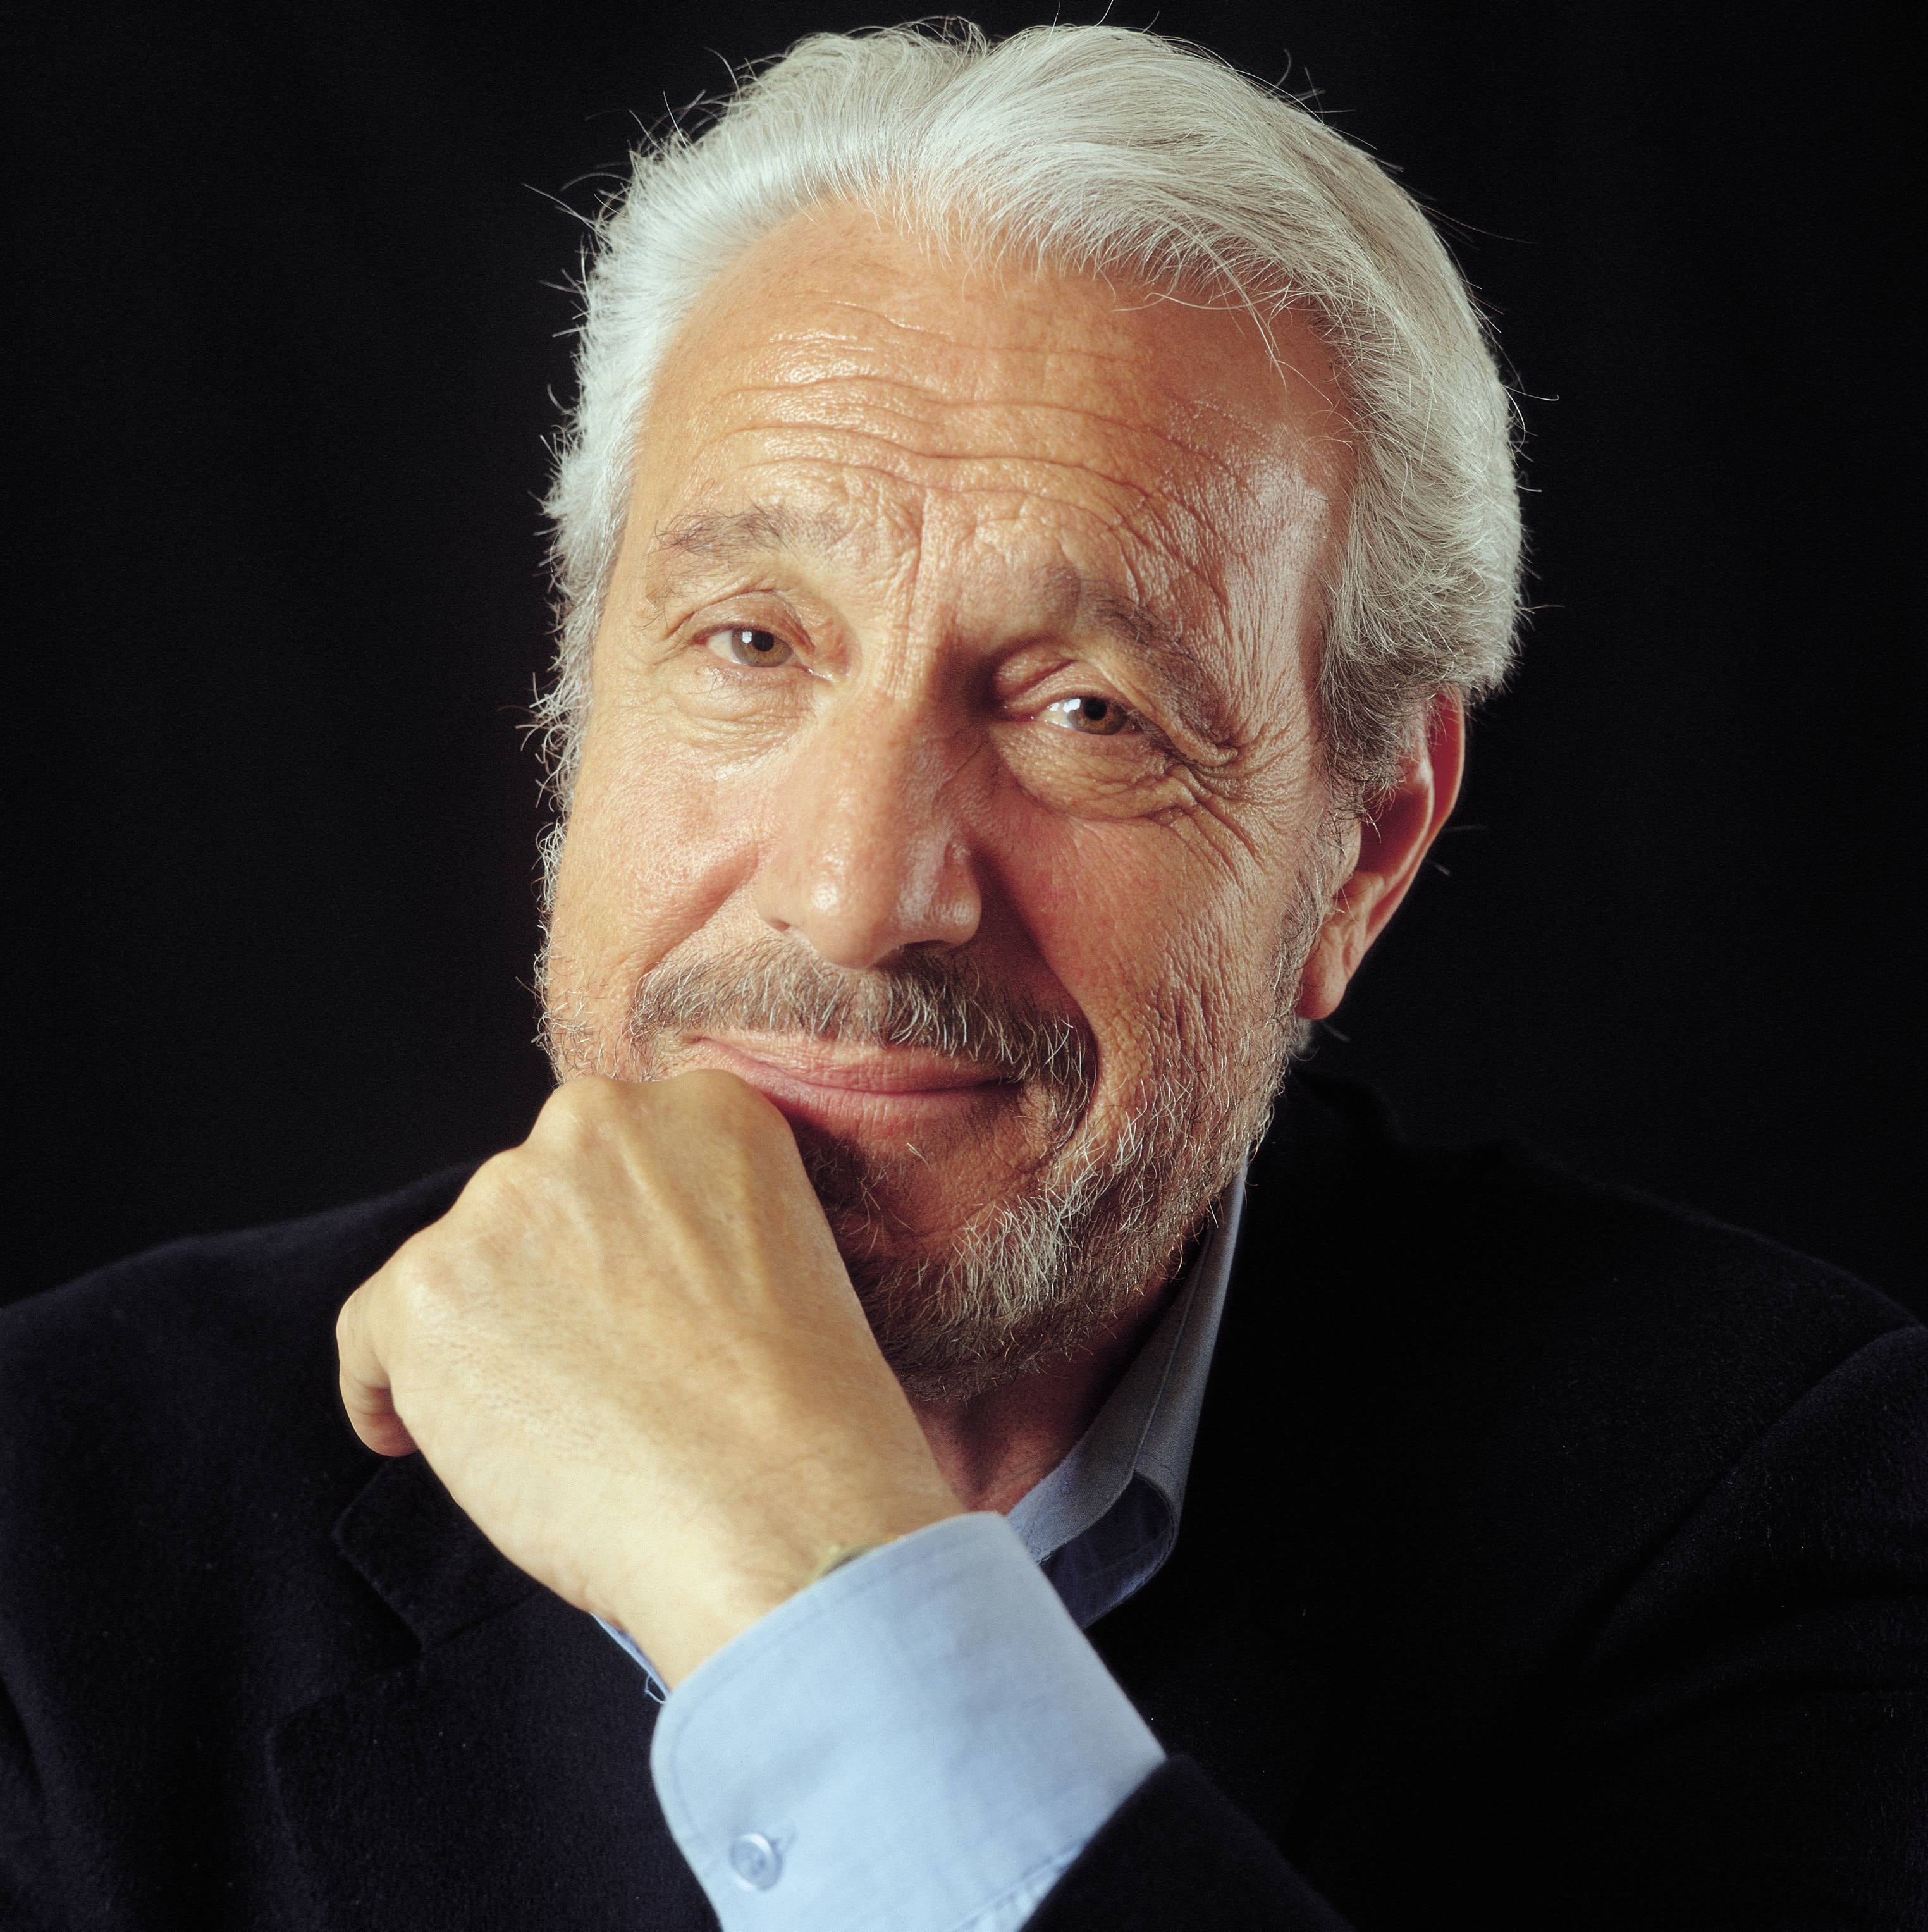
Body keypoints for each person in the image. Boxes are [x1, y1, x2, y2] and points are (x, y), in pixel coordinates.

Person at [3, 22, 1922, 1931]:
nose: (855, 898)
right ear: (580, 693)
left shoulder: (1777, 1504)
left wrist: (801, 1581)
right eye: (752, 642)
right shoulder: (57, 1510)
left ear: (1360, 851)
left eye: (1088, 710)